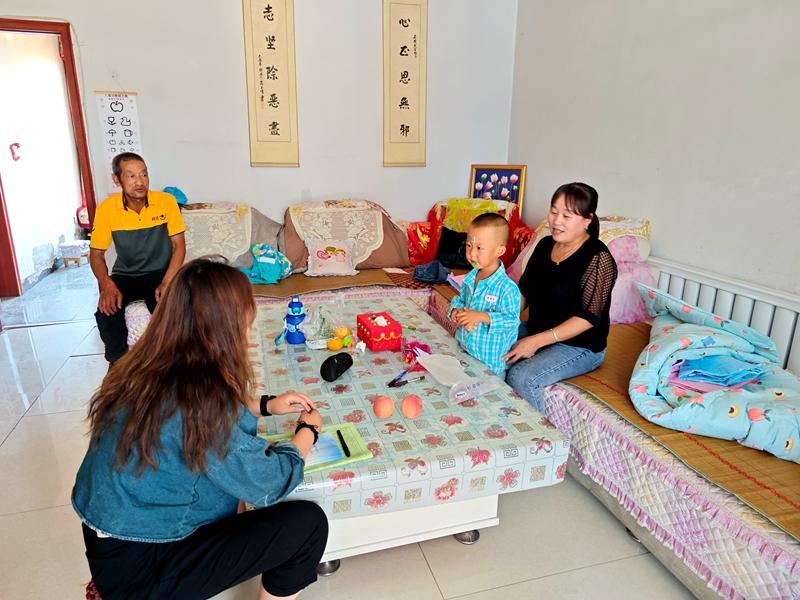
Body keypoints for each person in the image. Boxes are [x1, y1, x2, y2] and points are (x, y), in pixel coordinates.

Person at [72, 258, 328, 600]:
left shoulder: (144, 363)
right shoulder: (200, 403)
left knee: (224, 485)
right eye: (245, 323)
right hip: (141, 573)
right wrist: (307, 432)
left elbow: (183, 417)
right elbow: (268, 481)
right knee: (307, 525)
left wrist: (265, 405)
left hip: (112, 544)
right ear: (224, 331)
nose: (248, 333)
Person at [504, 182, 618, 412]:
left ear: (587, 220)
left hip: (580, 345)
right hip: (537, 328)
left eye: (566, 216)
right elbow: (525, 291)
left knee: (522, 377)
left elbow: (588, 318)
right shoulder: (545, 245)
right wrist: (502, 321)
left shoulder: (598, 258)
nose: (556, 221)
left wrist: (536, 341)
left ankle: (537, 434)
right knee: (488, 346)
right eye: (554, 212)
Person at [89, 152, 186, 364]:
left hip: (160, 272)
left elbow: (179, 245)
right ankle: (119, 365)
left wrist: (168, 280)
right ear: (117, 179)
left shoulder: (166, 202)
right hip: (126, 275)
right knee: (107, 310)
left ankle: (170, 364)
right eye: (131, 176)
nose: (140, 182)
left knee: (172, 309)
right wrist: (107, 284)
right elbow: (96, 254)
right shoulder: (107, 209)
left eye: (144, 174)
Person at [449, 213, 522, 375]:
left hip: (490, 365)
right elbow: (460, 300)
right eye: (469, 245)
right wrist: (456, 311)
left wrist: (482, 317)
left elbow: (512, 321)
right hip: (464, 353)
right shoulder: (470, 278)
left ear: (499, 250)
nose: (472, 254)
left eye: (479, 248)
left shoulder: (507, 288)